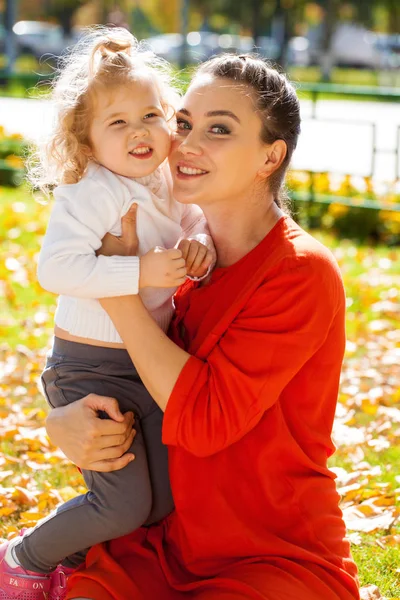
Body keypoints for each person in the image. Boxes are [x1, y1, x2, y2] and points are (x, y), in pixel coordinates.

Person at [48, 53, 361, 600]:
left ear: (271, 156)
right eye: (184, 123)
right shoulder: (179, 258)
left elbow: (203, 423)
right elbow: (104, 358)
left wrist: (118, 287)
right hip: (159, 540)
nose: (187, 144)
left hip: (271, 552)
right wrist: (60, 420)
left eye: (219, 129)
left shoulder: (300, 271)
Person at [0, 27, 215, 600]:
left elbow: (194, 229)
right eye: (117, 122)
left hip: (145, 360)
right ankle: (23, 558)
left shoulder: (170, 184)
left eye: (151, 115)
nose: (139, 132)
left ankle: (71, 552)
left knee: (162, 500)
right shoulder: (92, 188)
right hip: (89, 366)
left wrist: (202, 249)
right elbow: (57, 270)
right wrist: (139, 273)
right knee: (121, 504)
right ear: (88, 143)